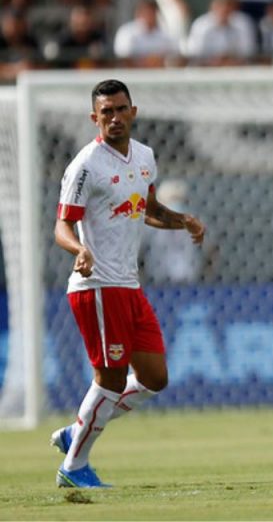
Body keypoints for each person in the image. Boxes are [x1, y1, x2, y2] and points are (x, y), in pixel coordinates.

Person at [50, 79, 206, 488]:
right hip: (97, 285)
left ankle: (78, 428)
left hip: (129, 285)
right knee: (111, 380)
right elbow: (62, 224)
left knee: (155, 378)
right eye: (106, 112)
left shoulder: (145, 157)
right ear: (94, 118)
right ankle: (74, 466)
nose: (115, 118)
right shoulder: (85, 164)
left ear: (133, 111)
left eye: (121, 109)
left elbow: (147, 209)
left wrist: (181, 221)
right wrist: (78, 251)